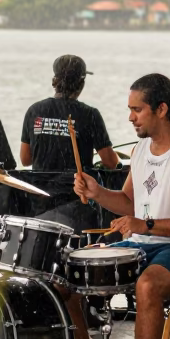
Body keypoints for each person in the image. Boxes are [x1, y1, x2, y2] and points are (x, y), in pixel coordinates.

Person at [74, 74, 170, 339]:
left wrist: (146, 225)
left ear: (161, 109)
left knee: (148, 285)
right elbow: (129, 203)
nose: (130, 117)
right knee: (72, 273)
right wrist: (97, 192)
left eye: (137, 110)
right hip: (142, 244)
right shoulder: (140, 152)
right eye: (130, 109)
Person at [20, 54, 119, 231]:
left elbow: (25, 159)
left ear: (54, 80)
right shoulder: (90, 114)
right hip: (77, 203)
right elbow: (111, 163)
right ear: (81, 83)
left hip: (40, 202)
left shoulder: (34, 110)